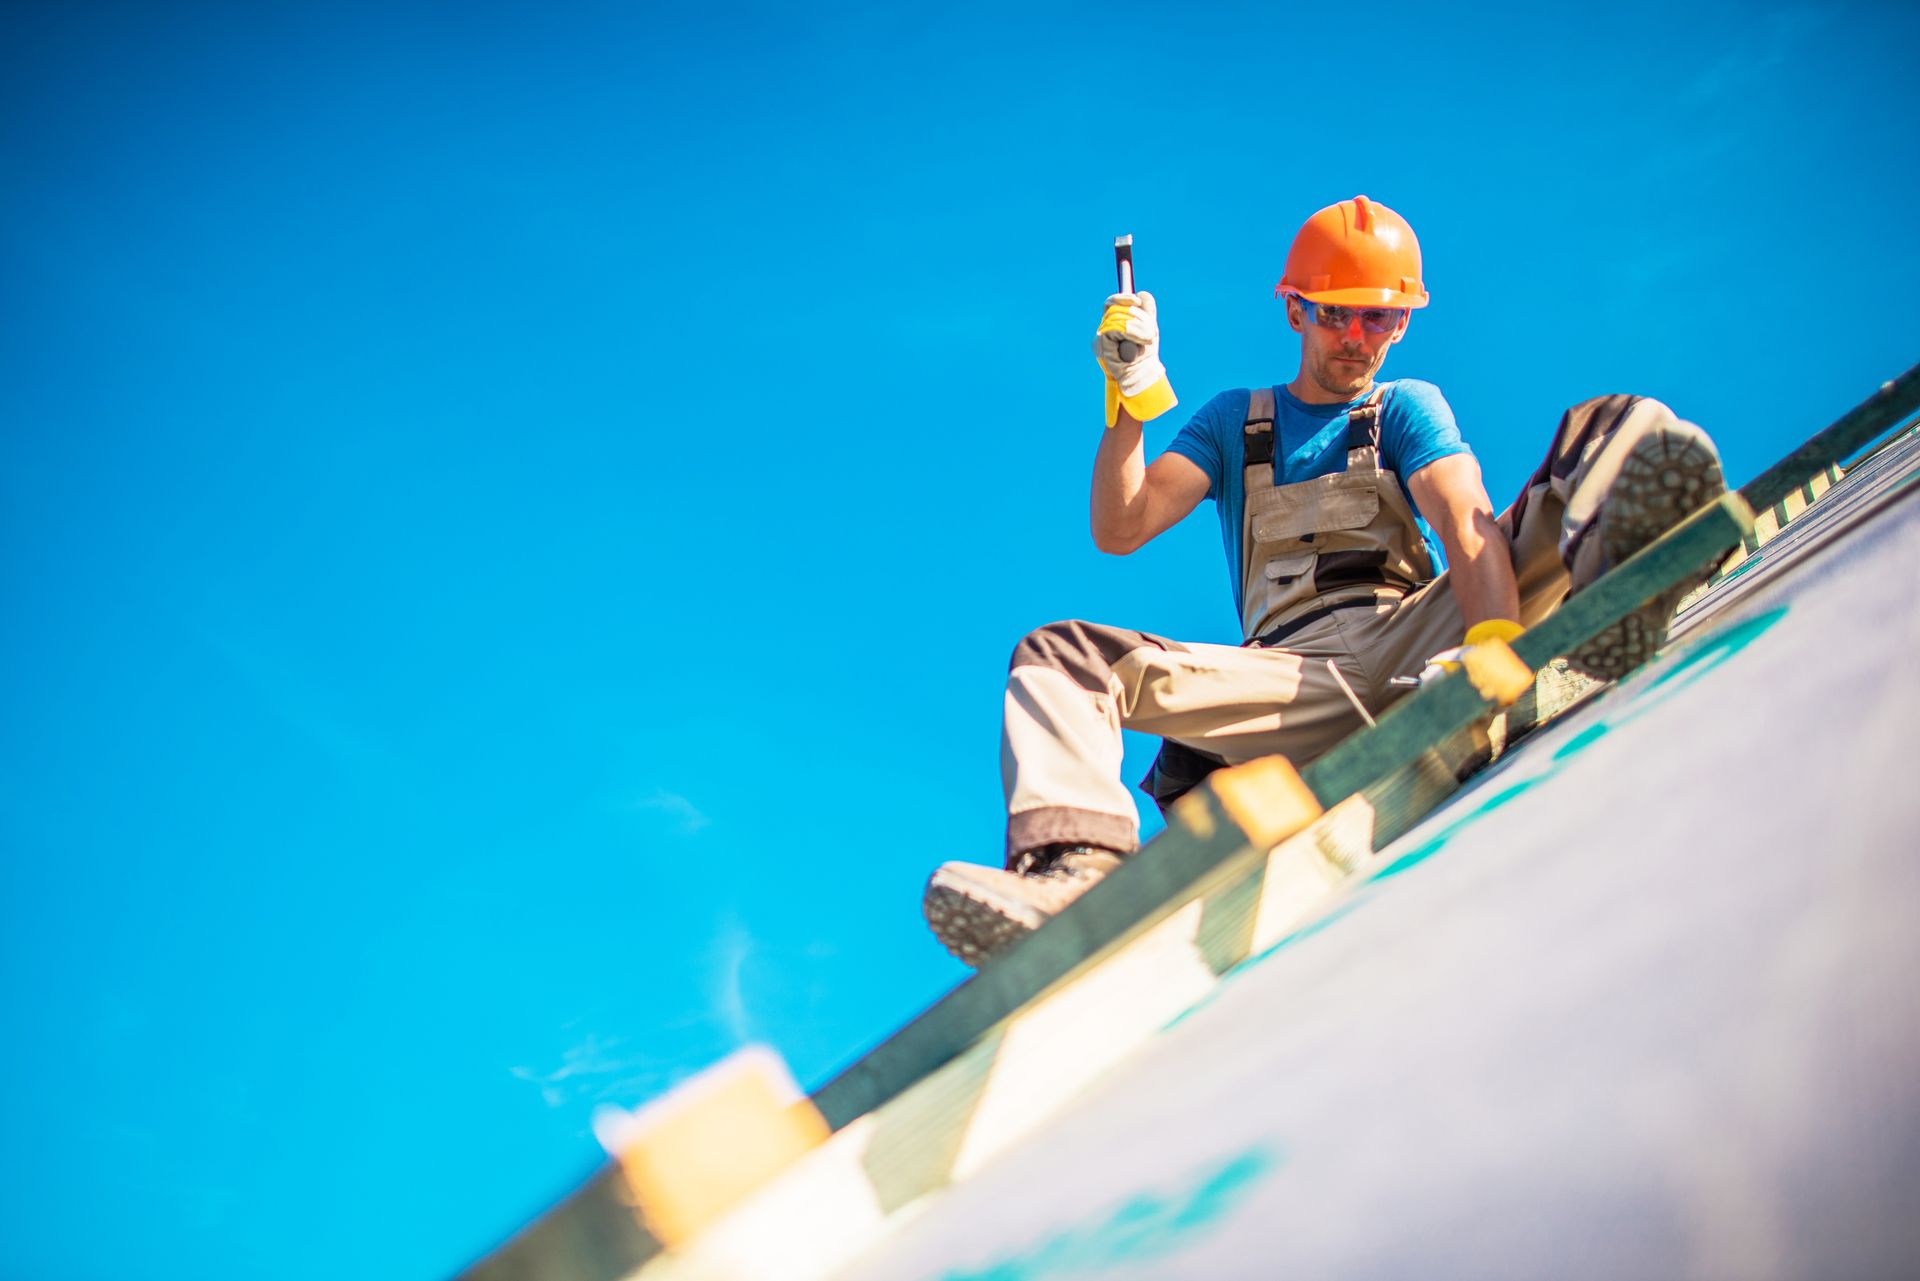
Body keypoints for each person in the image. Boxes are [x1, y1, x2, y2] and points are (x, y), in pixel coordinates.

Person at [923, 195, 1726, 967]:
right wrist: (1128, 397)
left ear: (1405, 320)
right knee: (1060, 654)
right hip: (1290, 679)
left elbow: (1462, 517)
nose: (1358, 335)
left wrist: (1494, 645)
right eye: (1337, 312)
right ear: (1295, 310)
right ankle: (1075, 873)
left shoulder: (1404, 406)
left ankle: (1632, 579)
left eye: (1382, 316)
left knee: (1617, 426)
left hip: (1419, 636)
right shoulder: (1235, 421)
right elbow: (1121, 527)